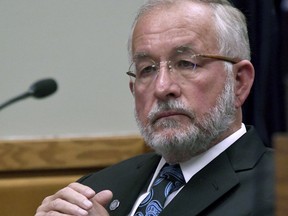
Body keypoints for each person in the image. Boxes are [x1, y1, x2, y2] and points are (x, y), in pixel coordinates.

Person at [35, 0, 275, 215]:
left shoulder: (278, 190)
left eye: (186, 63)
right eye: (147, 69)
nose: (162, 87)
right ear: (133, 90)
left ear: (239, 82)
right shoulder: (96, 188)